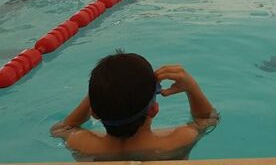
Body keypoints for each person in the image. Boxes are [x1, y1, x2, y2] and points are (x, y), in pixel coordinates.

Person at [50, 51, 218, 161]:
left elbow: (62, 128)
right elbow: (208, 119)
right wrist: (191, 86)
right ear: (154, 109)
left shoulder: (81, 144)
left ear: (93, 111)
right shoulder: (178, 141)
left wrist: (98, 94)